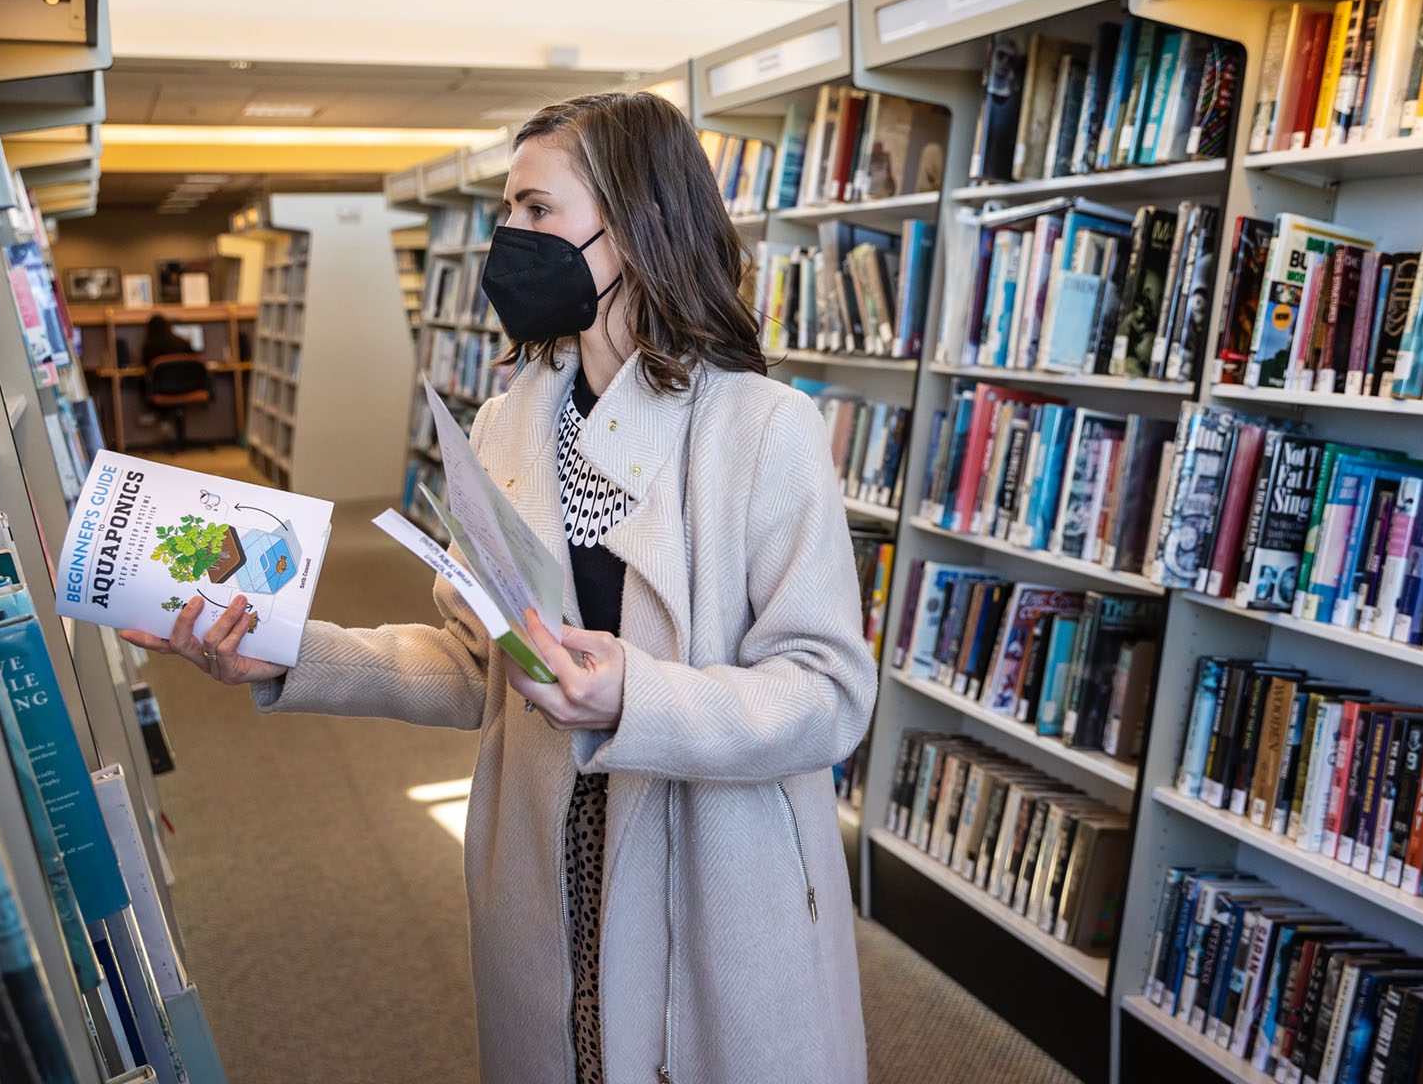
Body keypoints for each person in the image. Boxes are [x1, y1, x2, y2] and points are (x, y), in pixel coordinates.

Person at [122, 92, 877, 1084]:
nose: (505, 240)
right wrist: (297, 648)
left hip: (712, 872)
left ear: (636, 223)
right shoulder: (504, 428)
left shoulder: (761, 430)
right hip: (549, 861)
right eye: (504, 212)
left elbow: (827, 695)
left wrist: (633, 696)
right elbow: (480, 663)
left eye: (535, 209)